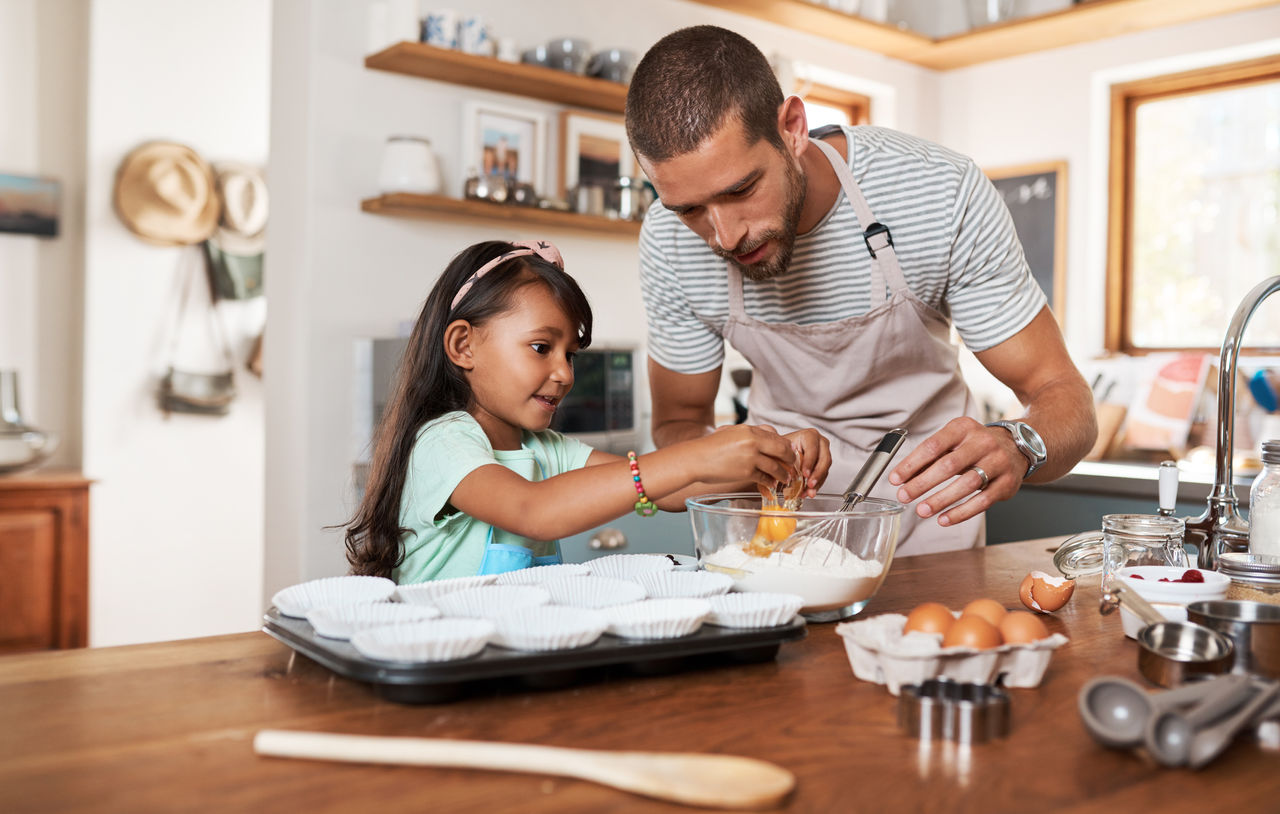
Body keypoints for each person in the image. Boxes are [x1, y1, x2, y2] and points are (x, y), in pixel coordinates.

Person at [624, 26, 1098, 556]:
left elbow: (1064, 396)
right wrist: (743, 457)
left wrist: (1020, 444)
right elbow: (678, 422)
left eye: (741, 190)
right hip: (778, 537)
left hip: (929, 527)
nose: (724, 236)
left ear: (792, 128)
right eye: (690, 208)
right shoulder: (668, 241)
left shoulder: (939, 192)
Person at [344, 239, 821, 582]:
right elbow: (535, 511)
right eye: (540, 347)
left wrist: (768, 456)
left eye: (570, 353)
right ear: (463, 345)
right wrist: (698, 454)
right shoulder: (444, 441)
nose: (565, 374)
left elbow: (671, 492)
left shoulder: (544, 448)